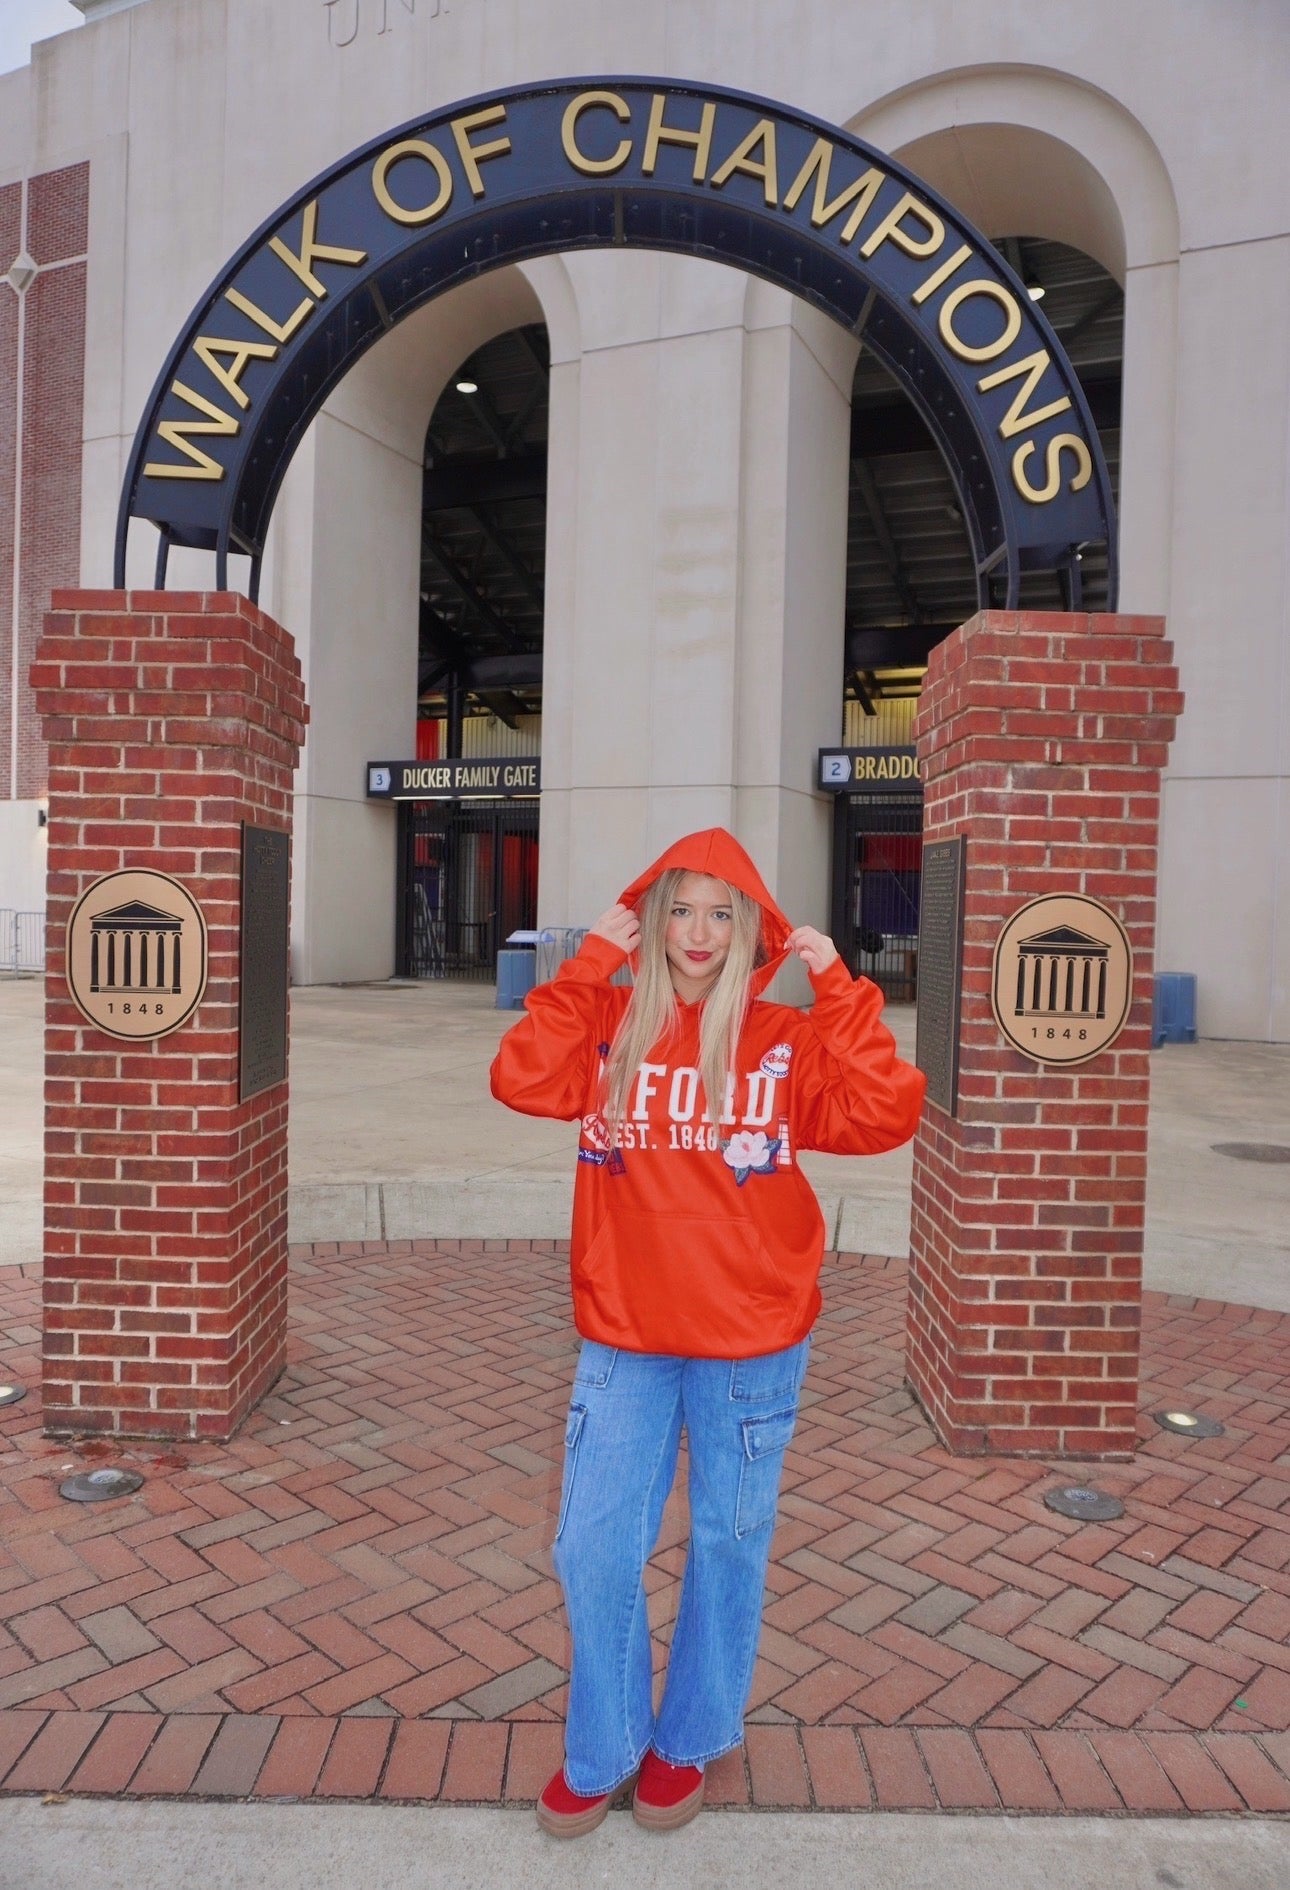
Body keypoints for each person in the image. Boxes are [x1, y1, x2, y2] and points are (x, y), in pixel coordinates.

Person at [490, 828, 925, 1837]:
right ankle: (603, 1747)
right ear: (651, 920)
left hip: (753, 1337)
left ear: (751, 931)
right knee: (593, 1549)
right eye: (680, 910)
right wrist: (587, 963)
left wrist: (843, 991)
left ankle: (687, 1741)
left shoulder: (781, 1039)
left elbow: (886, 1111)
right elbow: (519, 1078)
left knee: (727, 1544)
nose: (698, 932)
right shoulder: (605, 1023)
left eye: (721, 913)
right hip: (626, 1335)